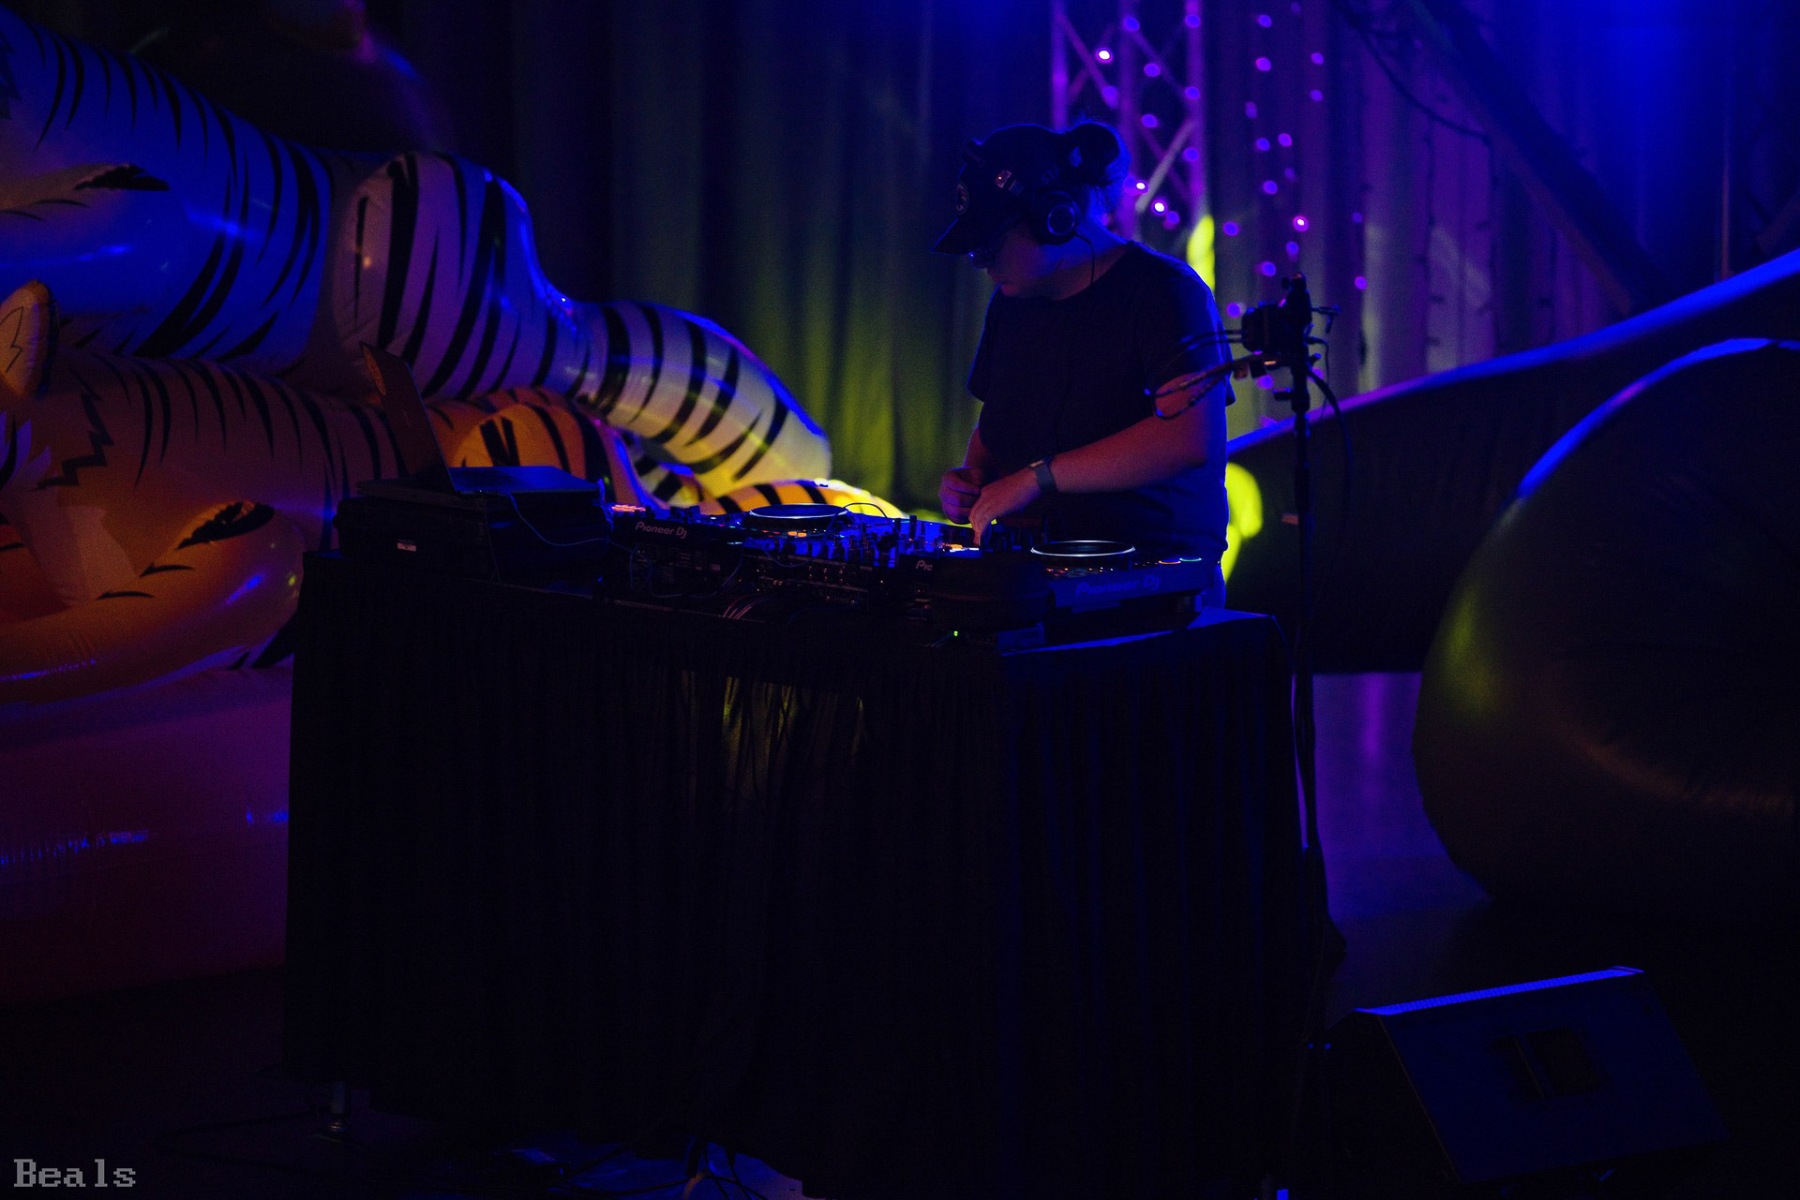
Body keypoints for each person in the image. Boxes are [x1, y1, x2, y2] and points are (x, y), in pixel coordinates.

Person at [933, 120, 1234, 583]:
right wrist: (971, 481)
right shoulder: (1011, 302)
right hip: (1032, 570)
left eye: (991, 244)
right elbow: (993, 428)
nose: (981, 261)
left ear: (1055, 218)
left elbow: (1189, 438)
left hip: (1151, 578)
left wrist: (1038, 477)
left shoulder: (1165, 291)